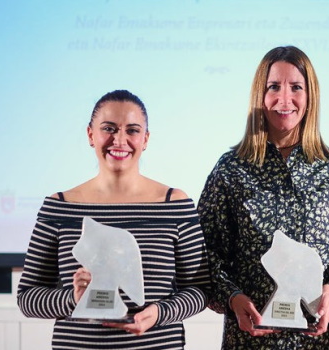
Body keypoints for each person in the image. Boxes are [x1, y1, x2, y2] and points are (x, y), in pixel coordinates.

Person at [197, 45, 329, 349]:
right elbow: (204, 254)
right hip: (249, 342)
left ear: (310, 96)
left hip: (320, 343)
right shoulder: (230, 170)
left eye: (296, 87)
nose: (285, 99)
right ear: (260, 95)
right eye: (274, 87)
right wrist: (232, 297)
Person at [16, 90, 210, 349]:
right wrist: (72, 299)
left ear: (145, 139)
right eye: (109, 128)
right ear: (90, 135)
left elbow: (201, 290)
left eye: (132, 130)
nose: (119, 140)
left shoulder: (175, 203)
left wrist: (160, 313)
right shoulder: (59, 206)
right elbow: (27, 297)